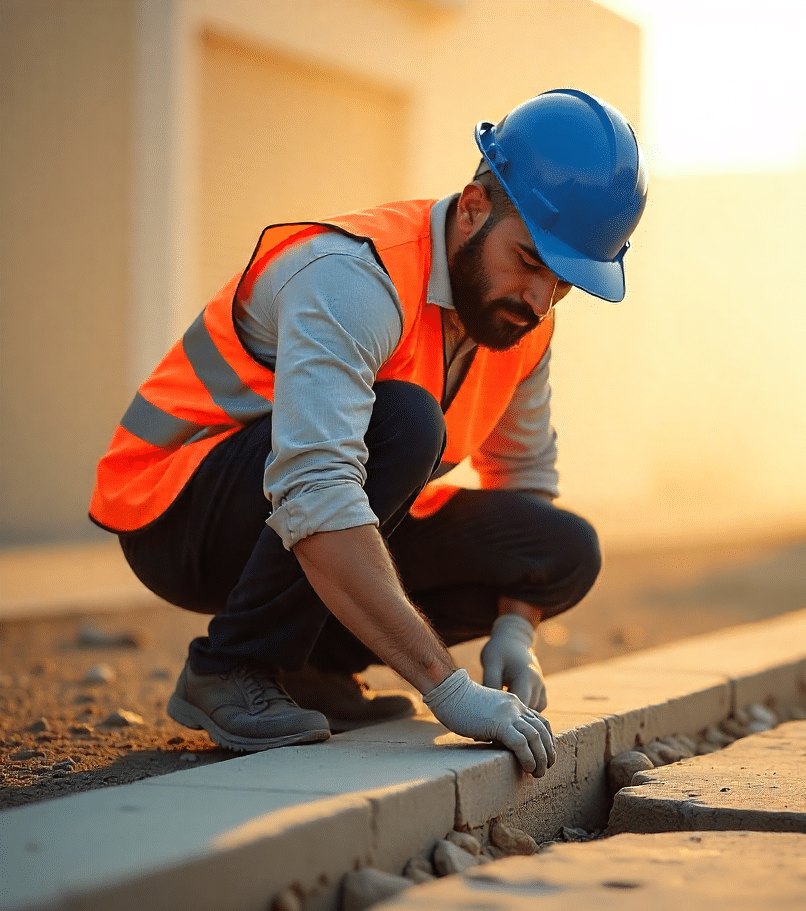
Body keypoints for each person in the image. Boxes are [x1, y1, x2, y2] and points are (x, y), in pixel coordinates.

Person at [89, 89, 648, 779]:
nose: (539, 301)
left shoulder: (520, 322)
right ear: (474, 205)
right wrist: (447, 687)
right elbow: (313, 486)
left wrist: (518, 627)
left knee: (561, 548)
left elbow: (526, 486)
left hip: (306, 501)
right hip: (176, 509)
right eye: (530, 261)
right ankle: (230, 666)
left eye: (563, 283)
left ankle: (316, 666)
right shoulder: (355, 275)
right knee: (407, 423)